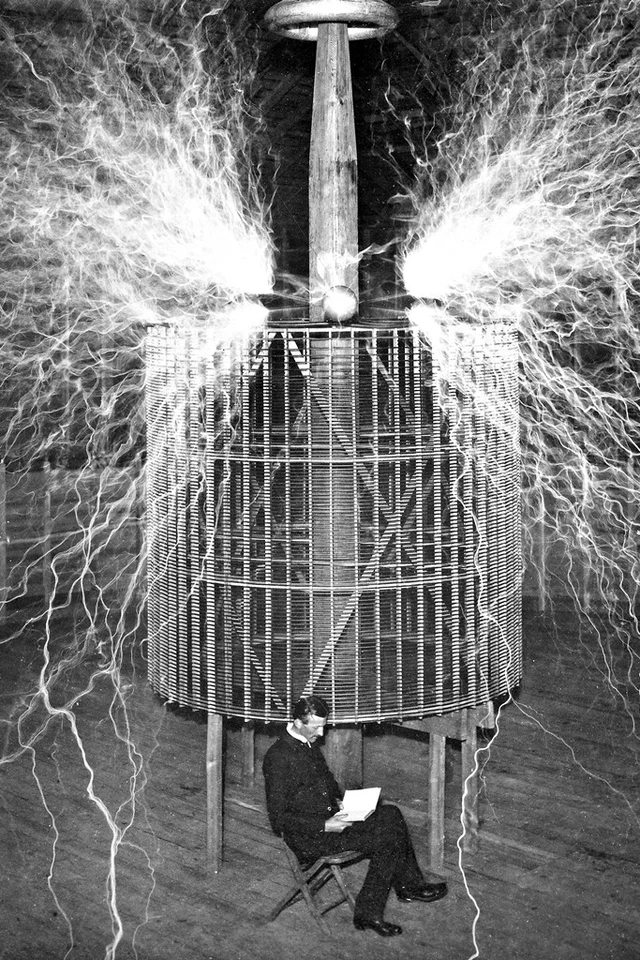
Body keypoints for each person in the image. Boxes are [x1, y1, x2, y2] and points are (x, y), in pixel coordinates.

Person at [263, 695, 447, 937]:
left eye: (323, 725)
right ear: (297, 722)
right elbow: (278, 820)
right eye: (315, 726)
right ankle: (368, 913)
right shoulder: (277, 757)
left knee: (391, 813)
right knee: (386, 839)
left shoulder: (307, 742)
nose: (321, 732)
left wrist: (339, 799)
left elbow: (326, 779)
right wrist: (325, 825)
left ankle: (408, 885)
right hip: (311, 836)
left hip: (333, 817)